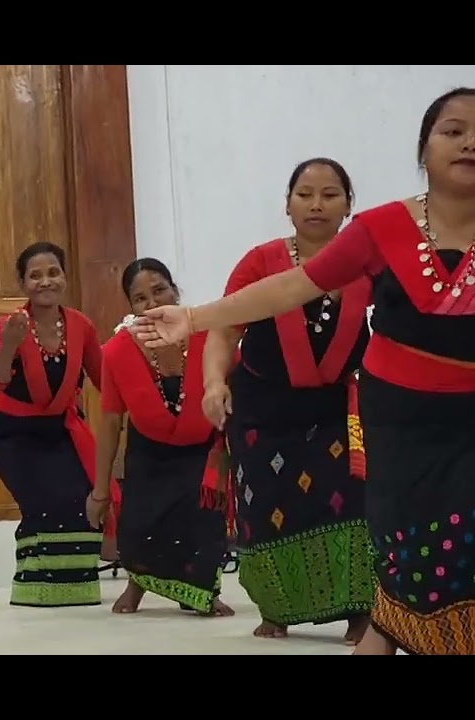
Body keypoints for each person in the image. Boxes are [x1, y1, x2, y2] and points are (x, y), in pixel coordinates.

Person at [135, 87, 475, 656]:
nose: (469, 143)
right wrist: (193, 318)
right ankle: (386, 631)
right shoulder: (382, 228)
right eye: (453, 130)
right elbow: (293, 286)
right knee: (409, 546)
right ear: (423, 149)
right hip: (402, 421)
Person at [199, 158, 376, 644]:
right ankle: (277, 609)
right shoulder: (260, 262)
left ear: (348, 205)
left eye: (330, 193)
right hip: (264, 411)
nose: (317, 204)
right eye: (305, 193)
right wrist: (214, 384)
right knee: (267, 508)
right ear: (288, 204)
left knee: (353, 505)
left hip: (337, 412)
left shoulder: (368, 264)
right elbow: (222, 330)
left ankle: (360, 612)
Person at [92, 258, 234, 617]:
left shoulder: (208, 335)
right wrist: (100, 489)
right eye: (140, 298)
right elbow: (110, 421)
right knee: (142, 525)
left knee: (203, 525)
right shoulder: (116, 351)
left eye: (159, 290)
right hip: (149, 454)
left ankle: (202, 593)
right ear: (131, 307)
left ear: (175, 289)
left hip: (202, 450)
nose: (152, 303)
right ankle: (136, 585)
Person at [0, 242, 117, 608]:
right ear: (23, 283)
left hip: (61, 432)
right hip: (13, 434)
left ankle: (76, 591)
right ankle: (35, 589)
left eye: (53, 272)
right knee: (44, 505)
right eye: (35, 275)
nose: (45, 281)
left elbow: (106, 381)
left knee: (82, 502)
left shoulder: (81, 326)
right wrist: (10, 344)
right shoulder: (8, 324)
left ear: (65, 277)